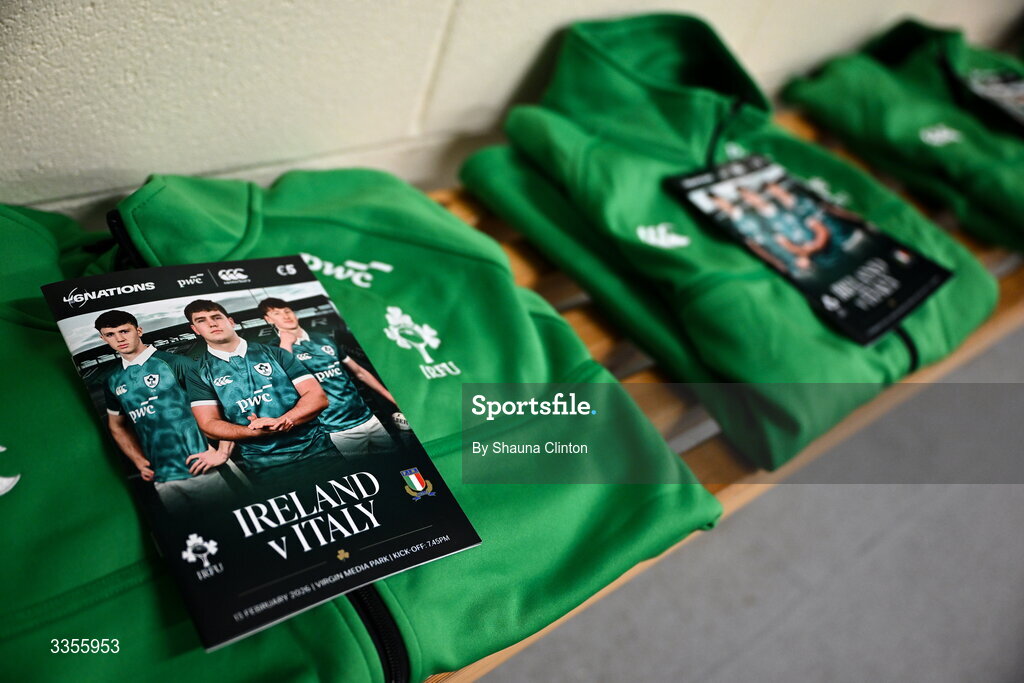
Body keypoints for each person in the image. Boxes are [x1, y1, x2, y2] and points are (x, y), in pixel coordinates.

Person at [183, 299, 337, 485]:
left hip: (319, 451)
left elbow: (317, 398)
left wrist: (283, 420)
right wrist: (252, 432)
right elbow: (208, 424)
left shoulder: (276, 353)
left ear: (231, 321)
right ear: (195, 330)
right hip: (265, 467)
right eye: (201, 320)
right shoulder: (198, 372)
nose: (212, 323)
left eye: (217, 317)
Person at [96, 310, 234, 512]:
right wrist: (139, 461)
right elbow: (116, 426)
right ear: (103, 338)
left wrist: (222, 452)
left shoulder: (176, 364)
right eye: (110, 334)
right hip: (163, 478)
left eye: (124, 331)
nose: (119, 338)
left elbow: (227, 401)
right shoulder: (113, 381)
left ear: (139, 330)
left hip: (207, 469)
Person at [258, 297, 398, 457]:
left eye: (287, 311)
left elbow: (359, 372)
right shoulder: (272, 350)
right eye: (277, 313)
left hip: (368, 418)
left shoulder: (323, 338)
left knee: (398, 464)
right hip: (335, 429)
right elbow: (283, 385)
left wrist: (391, 398)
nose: (285, 316)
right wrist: (286, 344)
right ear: (268, 319)